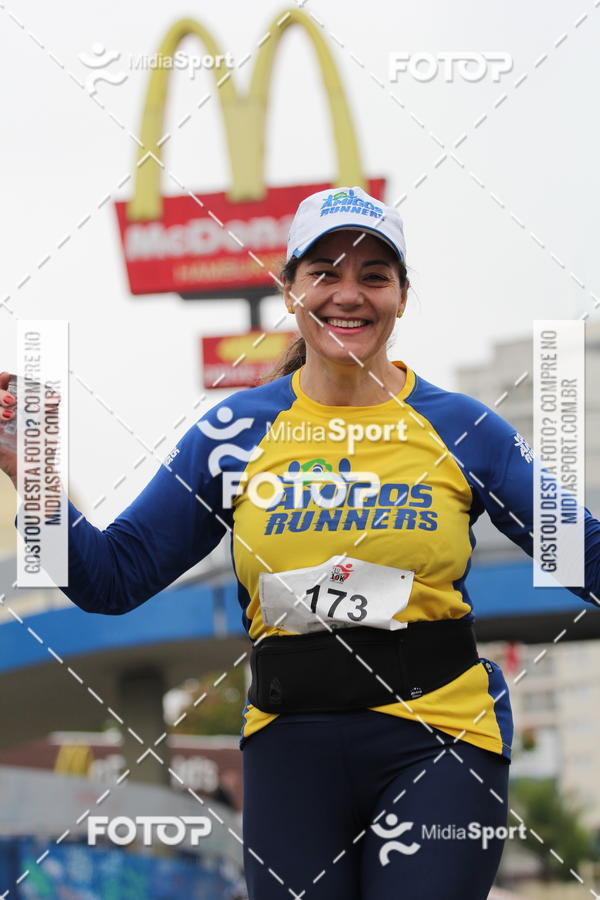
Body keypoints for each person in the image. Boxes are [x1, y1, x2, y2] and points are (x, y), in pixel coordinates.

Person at [1, 185, 600, 899]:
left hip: (440, 734)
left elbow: (584, 556)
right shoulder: (234, 433)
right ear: (290, 290)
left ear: (402, 297)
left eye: (374, 275)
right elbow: (111, 580)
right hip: (291, 744)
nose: (349, 295)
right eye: (324, 273)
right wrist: (32, 470)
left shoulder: (464, 429)